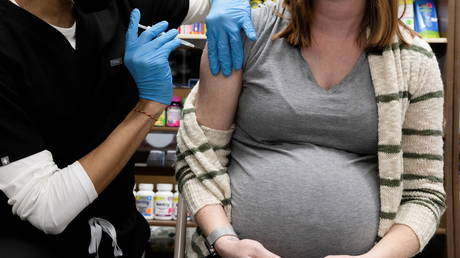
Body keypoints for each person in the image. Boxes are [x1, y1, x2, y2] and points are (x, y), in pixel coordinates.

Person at [176, 0, 447, 257]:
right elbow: (200, 156)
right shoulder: (245, 32)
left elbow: (423, 194)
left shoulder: (413, 60)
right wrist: (223, 240)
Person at [0, 0, 256, 257]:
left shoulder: (121, 5)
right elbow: (46, 207)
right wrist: (148, 106)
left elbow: (209, 4)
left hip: (120, 237)